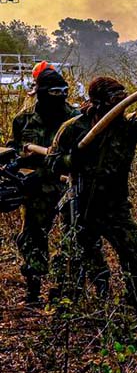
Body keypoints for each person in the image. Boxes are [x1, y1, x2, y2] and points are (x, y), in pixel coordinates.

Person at [47, 77, 137, 336]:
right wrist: (72, 158)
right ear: (97, 102)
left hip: (115, 207)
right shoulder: (74, 127)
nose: (120, 104)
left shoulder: (127, 126)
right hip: (81, 206)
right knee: (73, 261)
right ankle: (64, 320)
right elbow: (53, 163)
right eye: (113, 99)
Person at [8, 62, 79, 304]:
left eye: (63, 91)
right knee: (32, 239)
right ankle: (33, 291)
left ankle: (66, 292)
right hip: (36, 191)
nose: (59, 97)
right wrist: (15, 169)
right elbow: (14, 150)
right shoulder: (24, 120)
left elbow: (81, 157)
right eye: (54, 92)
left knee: (73, 239)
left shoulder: (76, 119)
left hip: (69, 189)